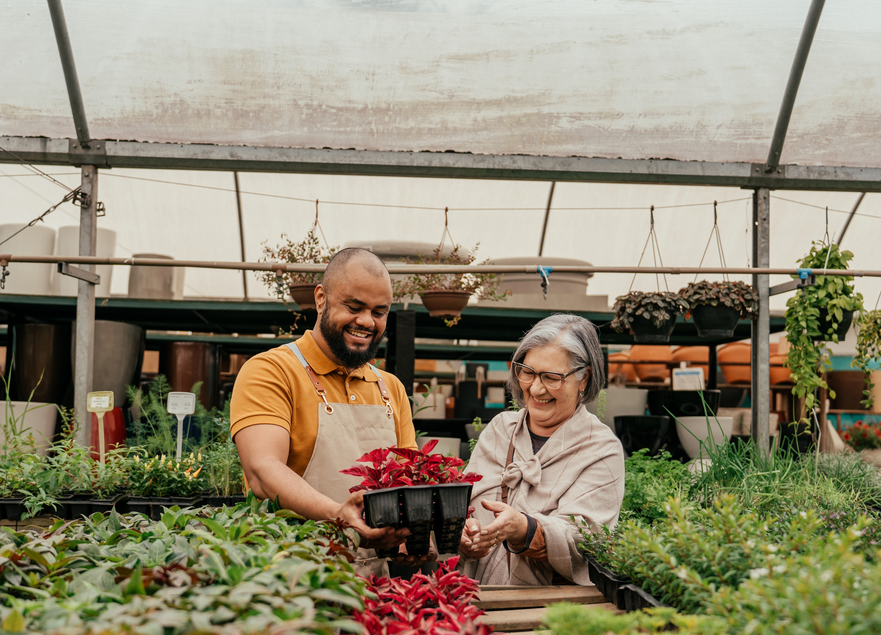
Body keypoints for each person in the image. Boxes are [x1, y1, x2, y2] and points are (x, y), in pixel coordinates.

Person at [231, 247, 419, 567]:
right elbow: (262, 471)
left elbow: (410, 485)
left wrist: (415, 535)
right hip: (293, 573)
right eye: (354, 306)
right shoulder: (271, 370)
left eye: (379, 311)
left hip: (378, 578)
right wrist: (337, 515)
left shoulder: (390, 389)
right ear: (321, 299)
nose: (366, 321)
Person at [458, 314, 624, 585]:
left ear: (584, 378)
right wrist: (464, 535)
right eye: (528, 372)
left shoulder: (601, 450)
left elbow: (586, 541)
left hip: (550, 611)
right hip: (476, 596)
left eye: (551, 377)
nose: (535, 388)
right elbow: (467, 506)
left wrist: (522, 528)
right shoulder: (501, 430)